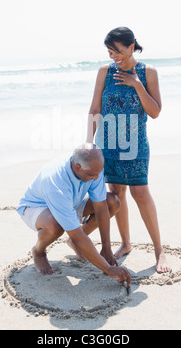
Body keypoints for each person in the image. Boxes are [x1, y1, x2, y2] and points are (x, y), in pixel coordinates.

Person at [87, 26, 171, 273]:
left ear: (131, 47)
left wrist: (137, 85)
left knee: (141, 194)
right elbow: (94, 109)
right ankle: (125, 244)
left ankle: (159, 250)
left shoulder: (148, 72)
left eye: (117, 51)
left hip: (136, 145)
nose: (113, 56)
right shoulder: (105, 72)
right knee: (117, 194)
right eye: (110, 52)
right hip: (109, 144)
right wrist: (89, 142)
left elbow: (155, 112)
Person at [16, 143, 131, 287]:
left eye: (98, 173)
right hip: (36, 207)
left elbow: (101, 207)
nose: (96, 178)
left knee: (112, 202)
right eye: (92, 175)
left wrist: (106, 248)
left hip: (70, 201)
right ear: (77, 167)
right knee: (56, 225)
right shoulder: (56, 182)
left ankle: (73, 243)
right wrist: (108, 269)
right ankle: (38, 251)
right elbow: (76, 233)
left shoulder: (93, 168)